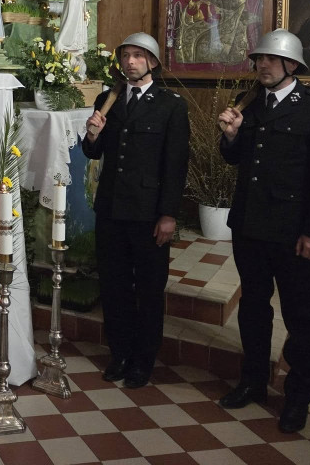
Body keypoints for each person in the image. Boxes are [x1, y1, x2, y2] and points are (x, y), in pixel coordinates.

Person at [216, 29, 310, 434]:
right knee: (253, 309)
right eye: (259, 59)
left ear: (292, 64)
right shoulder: (252, 105)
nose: (262, 65)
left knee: (301, 317)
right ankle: (253, 381)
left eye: (270, 59)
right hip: (250, 228)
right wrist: (231, 135)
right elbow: (236, 161)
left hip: (293, 235)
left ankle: (298, 396)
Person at [82, 32, 189, 388]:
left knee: (148, 289)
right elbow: (93, 154)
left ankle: (144, 360)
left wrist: (169, 214)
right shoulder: (108, 99)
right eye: (126, 55)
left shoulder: (170, 105)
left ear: (153, 63)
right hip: (111, 209)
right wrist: (93, 135)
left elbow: (175, 164)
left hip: (148, 214)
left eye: (139, 56)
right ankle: (120, 353)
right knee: (113, 287)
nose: (130, 62)